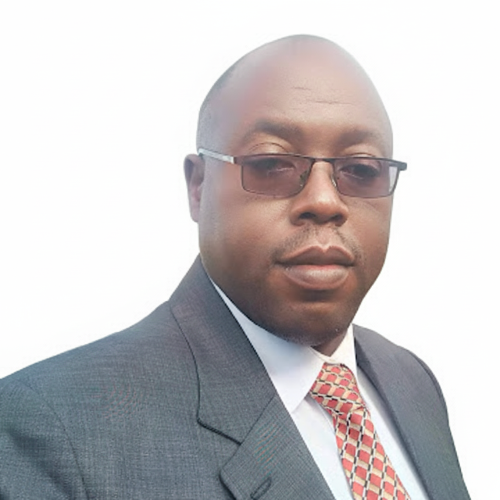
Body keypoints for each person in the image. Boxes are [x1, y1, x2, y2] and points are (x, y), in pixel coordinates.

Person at [0, 35, 470, 500]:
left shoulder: (410, 380)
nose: (325, 201)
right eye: (272, 163)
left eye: (362, 169)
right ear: (198, 186)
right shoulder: (51, 429)